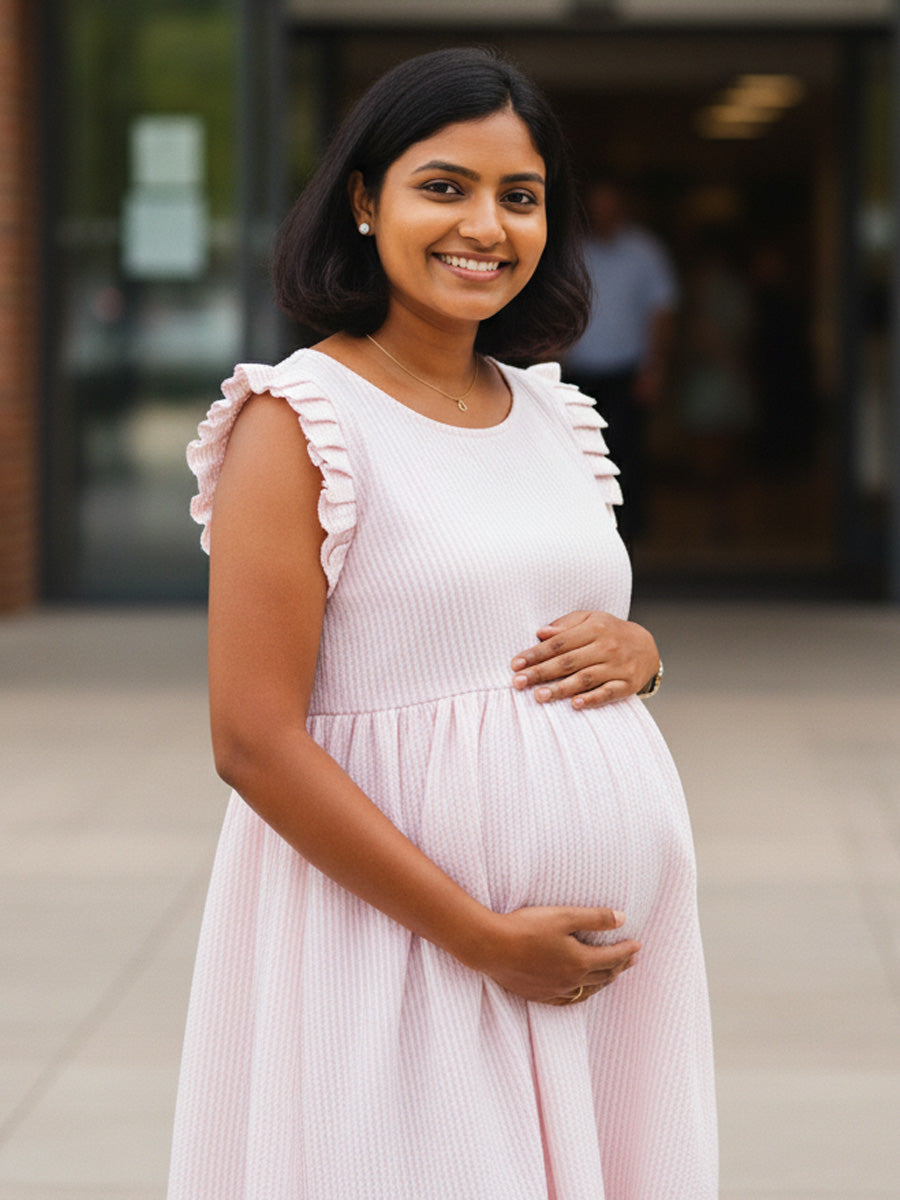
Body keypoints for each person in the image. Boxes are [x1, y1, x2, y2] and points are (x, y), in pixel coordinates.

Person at [168, 47, 717, 1200]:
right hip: (403, 957)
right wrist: (477, 936)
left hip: (598, 981)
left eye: (520, 197)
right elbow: (252, 739)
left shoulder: (553, 412)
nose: (488, 224)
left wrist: (645, 654)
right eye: (445, 185)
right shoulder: (301, 418)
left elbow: (550, 620)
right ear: (365, 202)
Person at [565, 176, 678, 544]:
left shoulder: (645, 251)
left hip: (628, 369)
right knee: (579, 454)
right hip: (579, 369)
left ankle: (629, 533)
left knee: (627, 452)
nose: (604, 216)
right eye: (597, 209)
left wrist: (655, 366)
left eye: (610, 208)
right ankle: (588, 529)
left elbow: (661, 310)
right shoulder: (574, 251)